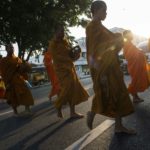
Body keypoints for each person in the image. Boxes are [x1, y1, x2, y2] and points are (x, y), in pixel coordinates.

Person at [86, 0, 135, 134]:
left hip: (112, 67)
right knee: (106, 94)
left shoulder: (101, 27)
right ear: (96, 10)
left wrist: (118, 39)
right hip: (103, 68)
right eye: (104, 10)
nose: (106, 13)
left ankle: (118, 126)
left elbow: (110, 45)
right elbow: (93, 51)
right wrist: (99, 72)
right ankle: (92, 112)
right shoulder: (92, 28)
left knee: (119, 93)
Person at [48, 25, 89, 118]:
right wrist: (68, 59)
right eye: (60, 31)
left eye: (63, 31)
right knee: (67, 88)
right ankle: (58, 105)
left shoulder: (65, 43)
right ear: (55, 32)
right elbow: (56, 57)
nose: (63, 33)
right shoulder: (53, 44)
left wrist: (76, 54)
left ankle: (72, 112)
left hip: (70, 69)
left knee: (73, 90)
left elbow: (71, 57)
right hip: (61, 70)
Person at [0, 44, 34, 116]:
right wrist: (6, 83)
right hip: (10, 81)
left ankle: (27, 109)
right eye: (10, 48)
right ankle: (15, 112)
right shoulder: (3, 60)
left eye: (12, 47)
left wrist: (25, 66)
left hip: (19, 79)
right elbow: (3, 73)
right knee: (12, 96)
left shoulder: (17, 59)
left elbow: (21, 69)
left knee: (26, 92)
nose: (11, 49)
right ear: (6, 49)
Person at [123, 30, 149, 103]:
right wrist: (139, 52)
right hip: (134, 66)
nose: (132, 35)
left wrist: (139, 51)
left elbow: (134, 52)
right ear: (127, 36)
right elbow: (128, 55)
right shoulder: (126, 43)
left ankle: (135, 97)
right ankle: (129, 95)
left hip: (136, 65)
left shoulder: (129, 43)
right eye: (131, 34)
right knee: (135, 81)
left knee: (136, 81)